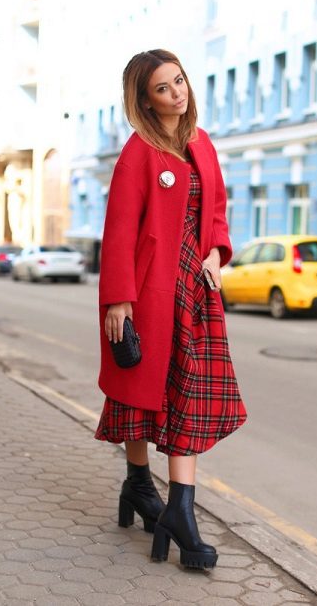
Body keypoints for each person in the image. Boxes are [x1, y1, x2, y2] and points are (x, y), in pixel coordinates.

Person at [95, 49, 247, 570]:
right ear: (145, 100)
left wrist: (216, 253)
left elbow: (217, 211)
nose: (177, 92)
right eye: (163, 87)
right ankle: (141, 485)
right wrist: (119, 298)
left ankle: (178, 507)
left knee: (189, 392)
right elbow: (119, 229)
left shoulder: (201, 142)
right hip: (150, 290)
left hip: (196, 288)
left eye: (179, 80)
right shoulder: (138, 152)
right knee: (139, 390)